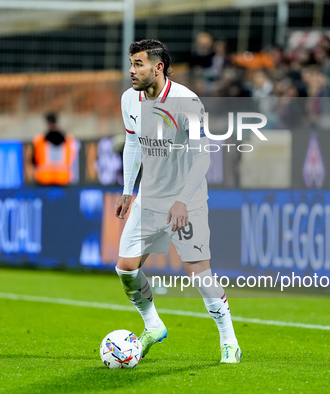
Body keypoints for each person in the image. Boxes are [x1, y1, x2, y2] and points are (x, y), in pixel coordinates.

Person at [115, 39, 241, 363]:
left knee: (198, 273)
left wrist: (183, 201)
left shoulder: (187, 102)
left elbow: (202, 156)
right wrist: (129, 191)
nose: (131, 70)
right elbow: (132, 145)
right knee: (126, 269)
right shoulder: (129, 99)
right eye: (131, 63)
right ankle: (153, 325)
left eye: (138, 64)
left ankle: (229, 341)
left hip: (188, 199)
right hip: (150, 198)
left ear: (158, 67)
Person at [31, 113, 76, 185]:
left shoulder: (39, 140)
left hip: (44, 179)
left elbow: (34, 161)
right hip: (63, 179)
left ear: (48, 123)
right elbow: (72, 158)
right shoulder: (68, 140)